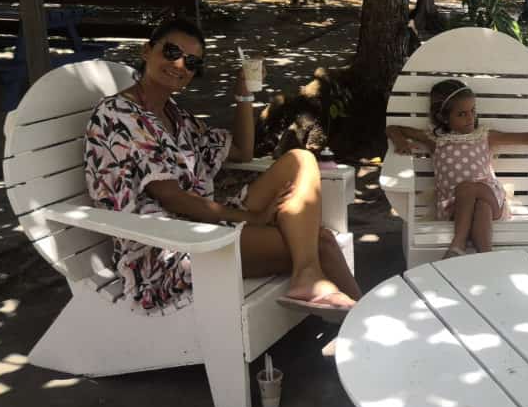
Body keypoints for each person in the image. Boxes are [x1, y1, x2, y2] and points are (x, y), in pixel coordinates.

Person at [84, 18, 360, 319]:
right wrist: (252, 218)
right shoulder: (117, 114)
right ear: (147, 51)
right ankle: (358, 320)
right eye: (172, 51)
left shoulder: (176, 116)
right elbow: (173, 198)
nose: (180, 64)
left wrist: (243, 94)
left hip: (205, 226)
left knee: (300, 159)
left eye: (191, 62)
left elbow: (241, 151)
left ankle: (322, 290)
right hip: (166, 250)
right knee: (320, 243)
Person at [386, 79, 528, 258]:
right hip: (453, 206)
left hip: (490, 196)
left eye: (472, 111)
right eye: (462, 114)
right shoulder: (436, 140)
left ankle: (457, 245)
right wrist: (400, 141)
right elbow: (393, 128)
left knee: (470, 188)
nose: (470, 118)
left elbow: (522, 137)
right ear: (443, 117)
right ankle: (486, 257)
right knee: (478, 205)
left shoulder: (483, 135)